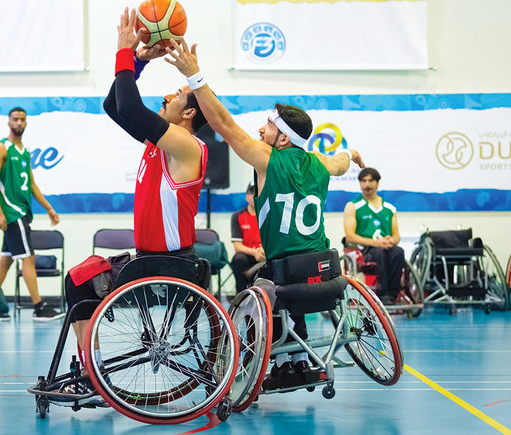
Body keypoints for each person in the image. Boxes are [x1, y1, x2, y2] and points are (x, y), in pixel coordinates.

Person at [165, 38, 363, 389]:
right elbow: (342, 161)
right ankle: (298, 358)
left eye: (268, 125)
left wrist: (195, 76)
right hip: (325, 271)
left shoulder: (267, 159)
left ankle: (279, 361)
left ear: (283, 139)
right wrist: (353, 155)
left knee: (265, 285)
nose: (260, 129)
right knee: (281, 283)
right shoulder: (321, 161)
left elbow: (223, 124)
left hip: (283, 272)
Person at [65, 7, 209, 362]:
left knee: (78, 282)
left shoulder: (186, 145)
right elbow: (114, 106)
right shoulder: (160, 144)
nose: (166, 97)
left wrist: (124, 51)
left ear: (189, 113)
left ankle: (92, 368)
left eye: (176, 95)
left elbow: (130, 107)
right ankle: (92, 366)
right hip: (151, 261)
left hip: (168, 265)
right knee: (80, 279)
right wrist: (139, 61)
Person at [0, 107, 64, 322]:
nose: (19, 123)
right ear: (9, 122)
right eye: (15, 119)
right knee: (28, 258)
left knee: (6, 260)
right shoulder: (1, 148)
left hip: (23, 211)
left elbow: (32, 184)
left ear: (26, 123)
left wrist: (49, 208)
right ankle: (39, 307)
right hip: (12, 212)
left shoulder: (24, 151)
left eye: (22, 119)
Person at [343, 167, 403, 303]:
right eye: (363, 181)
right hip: (364, 249)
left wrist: (390, 241)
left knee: (398, 252)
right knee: (379, 253)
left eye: (370, 181)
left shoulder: (389, 208)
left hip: (385, 247)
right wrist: (376, 243)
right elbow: (350, 237)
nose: (367, 184)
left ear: (377, 183)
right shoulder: (353, 206)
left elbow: (396, 236)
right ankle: (382, 294)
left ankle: (393, 294)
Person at [230, 183, 265, 294]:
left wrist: (263, 251)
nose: (254, 196)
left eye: (257, 193)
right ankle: (242, 295)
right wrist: (255, 252)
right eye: (252, 193)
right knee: (238, 260)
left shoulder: (267, 214)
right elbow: (237, 246)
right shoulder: (237, 216)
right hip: (248, 254)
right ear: (246, 196)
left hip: (264, 253)